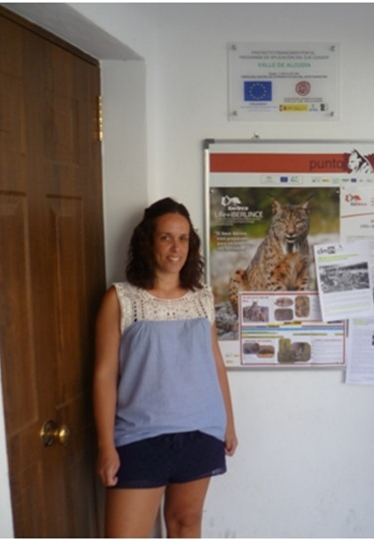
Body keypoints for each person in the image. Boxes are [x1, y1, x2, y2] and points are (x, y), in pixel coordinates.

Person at [94, 197, 238, 537]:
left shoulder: (202, 297)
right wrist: (105, 446)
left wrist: (228, 423)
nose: (176, 248)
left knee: (185, 524)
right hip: (139, 436)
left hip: (201, 432)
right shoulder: (121, 299)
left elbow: (215, 362)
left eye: (184, 238)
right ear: (148, 242)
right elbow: (103, 375)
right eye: (166, 237)